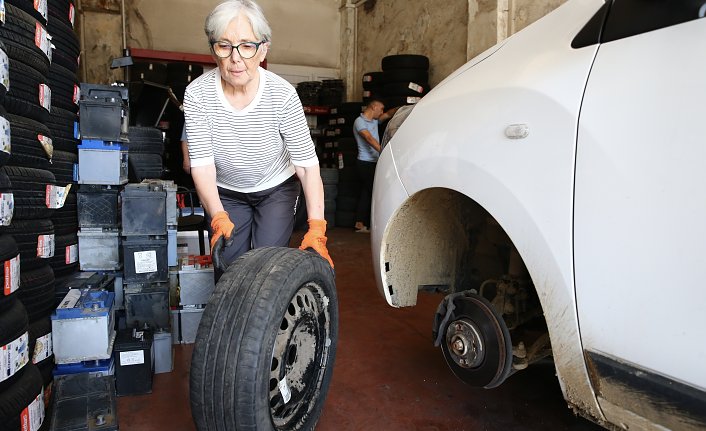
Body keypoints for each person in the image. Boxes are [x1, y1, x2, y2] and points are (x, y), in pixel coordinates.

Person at [183, 0, 333, 279]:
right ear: (213, 50)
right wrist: (217, 215)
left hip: (275, 188)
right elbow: (201, 164)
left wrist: (317, 228)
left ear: (263, 49)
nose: (236, 57)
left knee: (267, 268)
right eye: (224, 45)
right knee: (228, 271)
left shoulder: (283, 95)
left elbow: (307, 167)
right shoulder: (197, 95)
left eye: (247, 45)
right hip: (226, 191)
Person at [352, 98, 396, 233]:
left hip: (373, 162)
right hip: (365, 163)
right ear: (374, 107)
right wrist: (384, 151)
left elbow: (388, 114)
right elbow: (368, 138)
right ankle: (375, 226)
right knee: (374, 193)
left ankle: (360, 224)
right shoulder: (359, 122)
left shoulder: (374, 121)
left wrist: (403, 107)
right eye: (380, 109)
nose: (382, 112)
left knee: (366, 192)